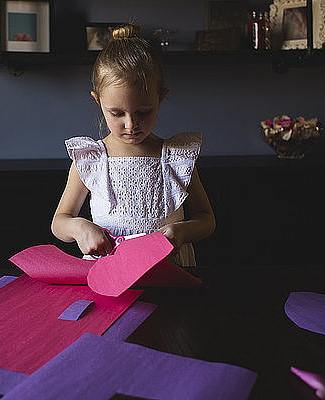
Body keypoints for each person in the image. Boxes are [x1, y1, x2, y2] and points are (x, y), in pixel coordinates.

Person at [51, 23, 215, 267]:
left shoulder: (175, 158)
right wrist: (79, 227)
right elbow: (59, 221)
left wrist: (181, 232)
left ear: (161, 97)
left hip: (170, 269)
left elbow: (206, 219)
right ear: (98, 101)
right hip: (110, 270)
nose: (131, 124)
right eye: (117, 113)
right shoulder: (90, 159)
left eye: (143, 111)